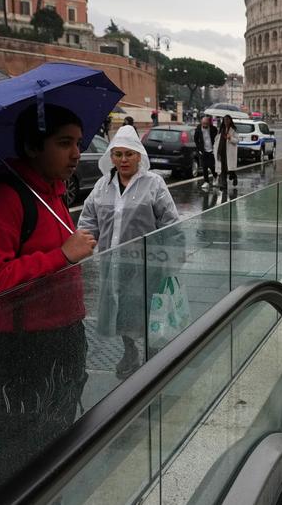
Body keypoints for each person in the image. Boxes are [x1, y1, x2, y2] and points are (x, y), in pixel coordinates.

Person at [0, 103, 96, 496]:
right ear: (33, 146)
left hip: (61, 340)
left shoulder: (52, 193)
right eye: (64, 143)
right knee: (14, 450)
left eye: (78, 143)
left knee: (54, 440)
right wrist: (61, 256)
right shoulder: (2, 197)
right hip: (18, 350)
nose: (76, 154)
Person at [77, 125, 179, 378]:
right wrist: (85, 242)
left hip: (147, 263)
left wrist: (172, 257)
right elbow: (88, 219)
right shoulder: (102, 186)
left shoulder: (154, 184)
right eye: (118, 154)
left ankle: (153, 351)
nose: (123, 160)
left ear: (138, 156)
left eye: (129, 154)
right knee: (120, 308)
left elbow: (170, 222)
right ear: (111, 156)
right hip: (112, 262)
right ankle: (130, 350)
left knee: (148, 307)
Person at [215, 115, 240, 189]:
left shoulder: (233, 130)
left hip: (229, 152)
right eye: (225, 120)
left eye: (227, 120)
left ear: (230, 120)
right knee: (223, 169)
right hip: (221, 151)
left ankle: (234, 176)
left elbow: (237, 140)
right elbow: (217, 139)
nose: (226, 121)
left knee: (230, 169)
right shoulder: (221, 129)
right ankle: (224, 184)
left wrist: (230, 138)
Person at [193, 115, 218, 190]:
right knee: (204, 166)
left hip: (212, 150)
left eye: (206, 123)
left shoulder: (213, 129)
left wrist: (215, 148)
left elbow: (217, 138)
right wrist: (199, 149)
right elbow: (196, 139)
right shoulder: (198, 129)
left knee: (211, 165)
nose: (205, 125)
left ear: (209, 123)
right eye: (203, 123)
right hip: (203, 151)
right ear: (201, 122)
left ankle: (215, 176)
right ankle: (206, 182)